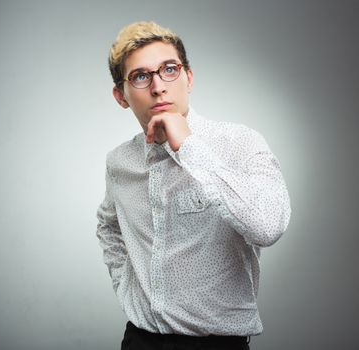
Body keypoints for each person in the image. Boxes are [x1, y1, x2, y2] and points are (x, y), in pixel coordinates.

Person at [96, 21, 291, 350]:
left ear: (188, 77)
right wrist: (126, 283)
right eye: (140, 76)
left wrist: (188, 147)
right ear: (121, 96)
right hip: (140, 341)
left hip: (218, 345)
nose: (158, 86)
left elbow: (268, 226)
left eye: (169, 70)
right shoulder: (119, 162)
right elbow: (108, 225)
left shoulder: (238, 143)